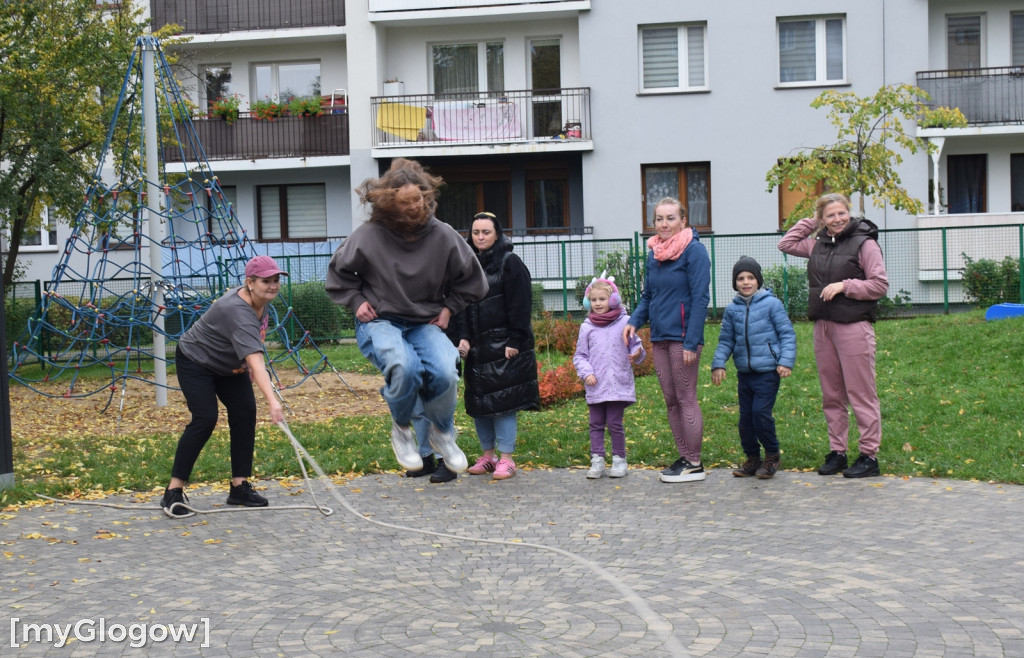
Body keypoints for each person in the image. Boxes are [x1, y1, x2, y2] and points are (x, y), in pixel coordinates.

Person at [326, 158, 488, 477]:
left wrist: (448, 308)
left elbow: (474, 280)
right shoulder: (369, 235)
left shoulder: (442, 235)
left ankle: (442, 433)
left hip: (423, 323)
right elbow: (338, 274)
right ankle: (401, 430)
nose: (414, 207)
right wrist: (356, 300)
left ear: (427, 196)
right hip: (381, 321)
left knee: (445, 370)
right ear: (390, 204)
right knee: (404, 367)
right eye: (405, 202)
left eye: (419, 199)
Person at [160, 255, 288, 517]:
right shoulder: (236, 309)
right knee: (205, 418)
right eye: (266, 281)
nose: (273, 285)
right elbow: (256, 359)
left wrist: (248, 370)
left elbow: (252, 347)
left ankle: (239, 488)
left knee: (244, 413)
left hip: (229, 367)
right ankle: (173, 492)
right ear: (250, 282)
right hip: (196, 361)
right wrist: (273, 401)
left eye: (276, 280)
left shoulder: (261, 303)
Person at [778, 193, 889, 478]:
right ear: (822, 220)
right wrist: (813, 220)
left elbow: (879, 284)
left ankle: (868, 456)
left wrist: (845, 285)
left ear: (849, 213)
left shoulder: (865, 243)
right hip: (823, 327)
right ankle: (837, 452)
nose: (837, 219)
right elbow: (786, 243)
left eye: (841, 213)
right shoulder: (818, 244)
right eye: (830, 215)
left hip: (853, 326)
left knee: (861, 393)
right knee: (832, 394)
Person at [624, 197, 711, 484]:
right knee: (671, 400)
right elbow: (649, 295)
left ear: (683, 221)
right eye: (659, 218)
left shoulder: (694, 252)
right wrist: (635, 321)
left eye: (671, 218)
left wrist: (692, 341)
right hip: (660, 336)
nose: (664, 224)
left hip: (683, 338)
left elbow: (700, 299)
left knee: (686, 398)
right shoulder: (655, 254)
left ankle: (695, 462)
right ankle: (685, 457)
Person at [458, 211, 540, 481]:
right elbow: (462, 306)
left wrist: (515, 340)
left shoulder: (510, 262)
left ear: (497, 234)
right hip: (477, 348)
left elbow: (520, 304)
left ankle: (507, 459)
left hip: (504, 345)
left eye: (486, 232)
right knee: (479, 403)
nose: (480, 237)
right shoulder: (466, 265)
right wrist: (464, 337)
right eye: (476, 232)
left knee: (504, 404)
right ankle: (488, 456)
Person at [710, 256, 797, 479]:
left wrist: (785, 361)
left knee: (760, 414)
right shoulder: (732, 310)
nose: (746, 282)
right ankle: (752, 458)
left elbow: (787, 334)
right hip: (745, 374)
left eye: (750, 277)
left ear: (758, 280)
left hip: (768, 371)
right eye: (740, 278)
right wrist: (719, 363)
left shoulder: (772, 304)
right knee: (745, 419)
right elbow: (726, 340)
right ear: (735, 283)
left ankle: (771, 456)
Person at [573, 276, 645, 478]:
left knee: (614, 423)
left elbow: (635, 344)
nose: (597, 304)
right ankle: (597, 460)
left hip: (616, 384)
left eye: (602, 299)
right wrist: (587, 373)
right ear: (588, 302)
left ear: (613, 300)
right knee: (595, 423)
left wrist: (638, 352)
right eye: (593, 300)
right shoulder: (586, 326)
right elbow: (580, 355)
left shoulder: (625, 322)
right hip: (596, 385)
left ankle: (619, 460)